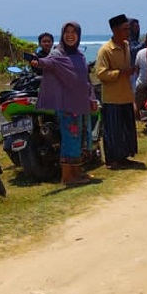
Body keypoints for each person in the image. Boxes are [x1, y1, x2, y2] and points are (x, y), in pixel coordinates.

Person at [31, 22, 98, 186]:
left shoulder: (79, 56)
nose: (70, 35)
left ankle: (76, 172)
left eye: (73, 32)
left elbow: (85, 80)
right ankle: (67, 177)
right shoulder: (57, 54)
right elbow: (47, 63)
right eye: (66, 32)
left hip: (81, 103)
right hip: (67, 105)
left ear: (78, 35)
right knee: (70, 139)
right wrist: (37, 62)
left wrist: (92, 98)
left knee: (78, 139)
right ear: (62, 35)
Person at [95, 14, 140, 170]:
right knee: (113, 131)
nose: (128, 32)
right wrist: (120, 73)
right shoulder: (105, 50)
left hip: (126, 95)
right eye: (125, 29)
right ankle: (112, 160)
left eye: (128, 29)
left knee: (126, 130)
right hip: (112, 98)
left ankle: (124, 157)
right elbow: (100, 74)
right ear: (115, 30)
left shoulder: (126, 46)